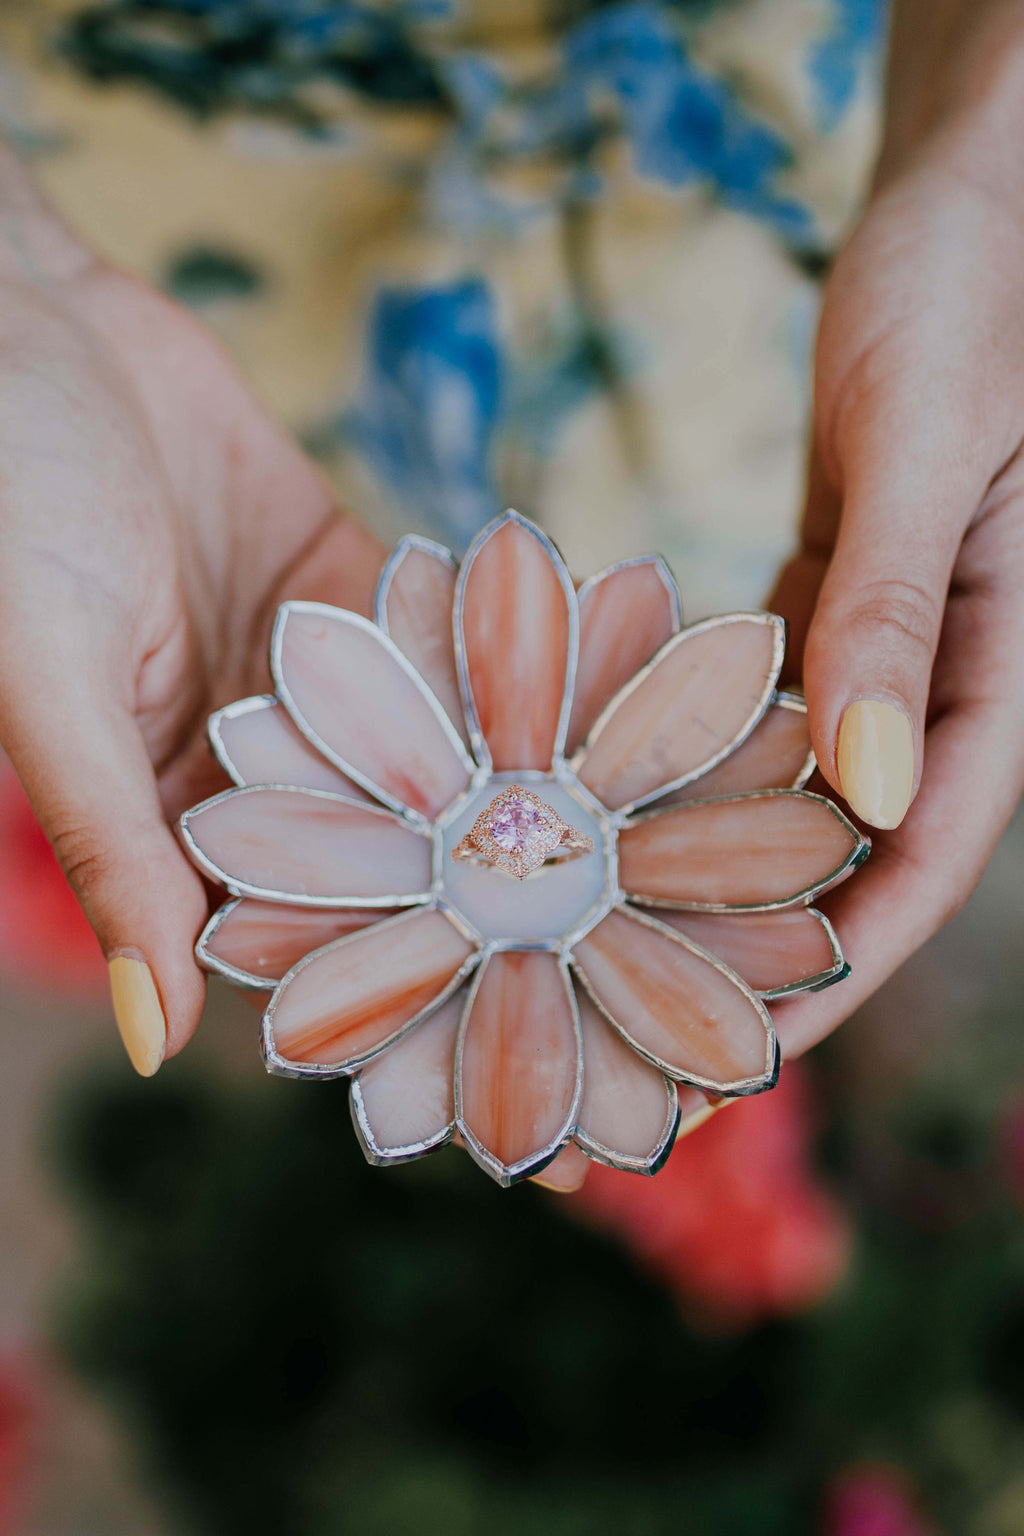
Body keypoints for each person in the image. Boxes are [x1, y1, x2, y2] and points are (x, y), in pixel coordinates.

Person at [0, 0, 1022, 1077]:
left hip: (802, 243)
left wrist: (990, 156)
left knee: (773, 647)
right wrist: (23, 286)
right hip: (183, 263)